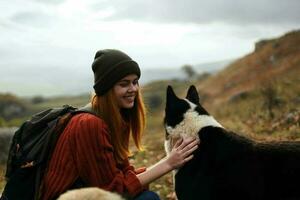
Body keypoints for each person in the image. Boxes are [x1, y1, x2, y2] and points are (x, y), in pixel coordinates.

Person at [41, 49, 199, 200]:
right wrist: (169, 163)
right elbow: (112, 191)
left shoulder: (114, 118)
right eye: (124, 84)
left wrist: (169, 161)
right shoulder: (89, 124)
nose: (133, 89)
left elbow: (120, 175)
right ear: (107, 89)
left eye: (135, 82)